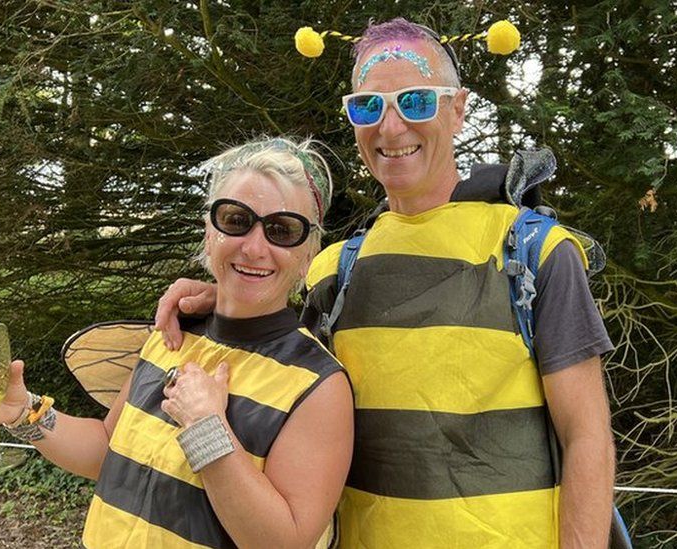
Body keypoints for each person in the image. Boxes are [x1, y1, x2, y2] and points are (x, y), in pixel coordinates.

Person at [156, 18, 616, 548]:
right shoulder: (334, 270)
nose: (391, 128)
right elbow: (279, 351)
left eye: (416, 101)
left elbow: (586, 437)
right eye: (369, 107)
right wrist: (226, 297)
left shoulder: (535, 253)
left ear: (458, 108)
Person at [0, 138, 354, 548]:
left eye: (282, 229)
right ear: (209, 232)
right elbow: (107, 449)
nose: (254, 246)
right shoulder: (172, 335)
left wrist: (207, 430)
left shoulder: (317, 384)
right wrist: (22, 411)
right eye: (235, 219)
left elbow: (284, 542)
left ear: (308, 252)